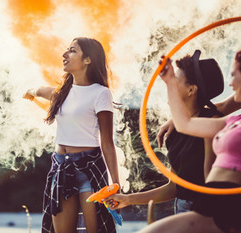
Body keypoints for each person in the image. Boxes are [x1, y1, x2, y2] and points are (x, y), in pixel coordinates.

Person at [133, 50, 241, 233]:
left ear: (192, 89)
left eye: (234, 75)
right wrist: (169, 82)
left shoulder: (214, 119)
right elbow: (185, 123)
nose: (230, 83)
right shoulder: (229, 122)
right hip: (206, 204)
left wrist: (170, 83)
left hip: (222, 205)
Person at [104, 51, 224, 214]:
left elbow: (214, 184)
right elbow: (174, 187)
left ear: (191, 90)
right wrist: (128, 199)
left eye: (175, 80)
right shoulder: (173, 132)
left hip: (206, 212)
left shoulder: (213, 125)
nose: (169, 84)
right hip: (182, 208)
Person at [23, 37, 120, 233]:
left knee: (95, 230)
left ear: (88, 60)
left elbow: (107, 143)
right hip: (61, 167)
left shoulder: (101, 93)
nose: (64, 54)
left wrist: (116, 185)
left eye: (73, 51)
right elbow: (39, 90)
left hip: (89, 168)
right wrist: (30, 92)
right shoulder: (62, 92)